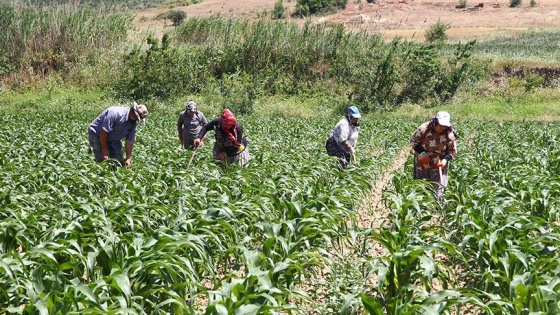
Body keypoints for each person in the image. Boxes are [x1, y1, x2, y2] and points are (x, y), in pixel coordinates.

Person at [410, 111, 457, 203]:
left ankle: (438, 208)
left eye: (444, 126)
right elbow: (413, 142)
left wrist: (445, 160)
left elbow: (452, 151)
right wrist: (422, 153)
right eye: (440, 125)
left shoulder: (449, 133)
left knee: (439, 188)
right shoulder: (424, 129)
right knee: (422, 186)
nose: (441, 128)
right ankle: (422, 208)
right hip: (423, 162)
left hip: (439, 164)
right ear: (435, 121)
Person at [88, 101, 149, 167]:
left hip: (114, 139)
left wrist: (128, 157)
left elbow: (130, 140)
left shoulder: (133, 123)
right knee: (103, 161)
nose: (137, 120)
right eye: (137, 118)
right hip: (97, 134)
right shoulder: (115, 113)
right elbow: (104, 131)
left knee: (119, 163)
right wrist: (105, 150)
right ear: (134, 114)